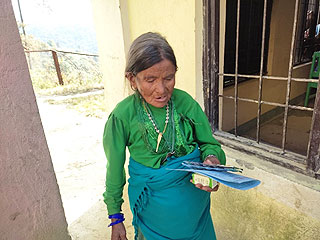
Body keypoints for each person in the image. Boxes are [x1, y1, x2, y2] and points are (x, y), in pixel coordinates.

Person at [103, 32, 226, 240]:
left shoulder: (185, 103)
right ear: (132, 79)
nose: (161, 90)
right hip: (154, 216)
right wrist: (115, 217)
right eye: (150, 80)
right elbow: (114, 169)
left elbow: (209, 144)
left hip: (196, 213)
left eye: (168, 78)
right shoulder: (122, 116)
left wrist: (212, 162)